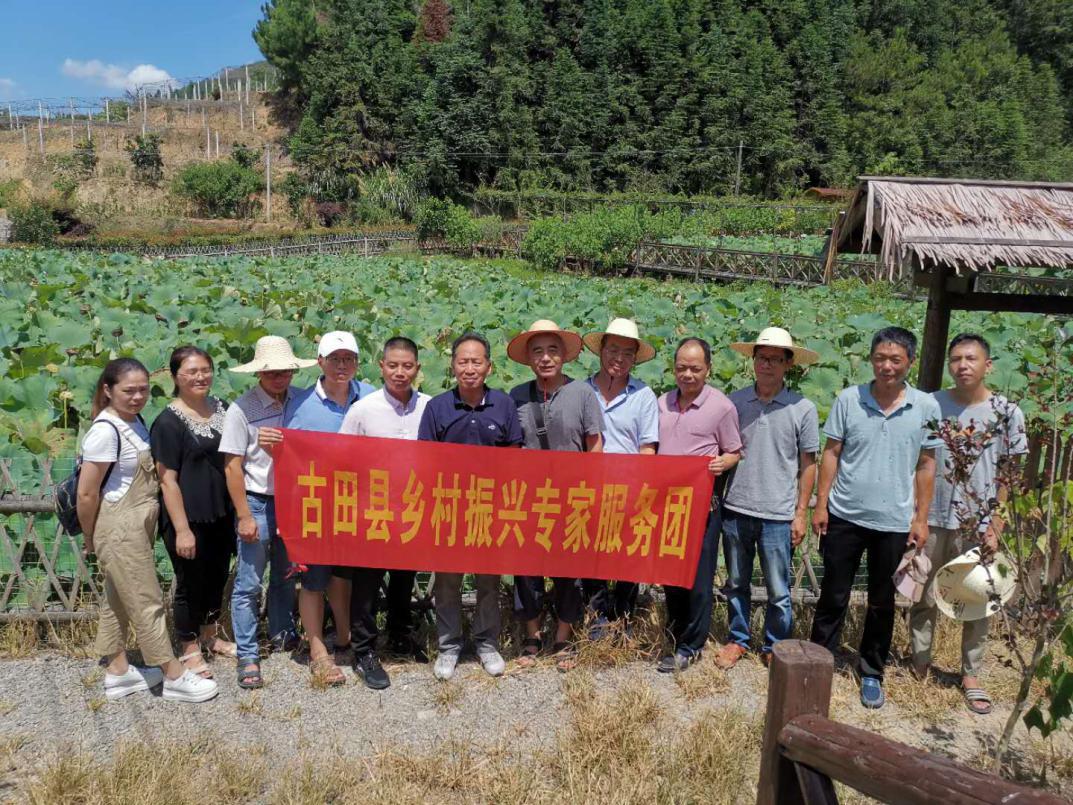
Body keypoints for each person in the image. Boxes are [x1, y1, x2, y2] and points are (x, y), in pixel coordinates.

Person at [810, 326, 941, 709]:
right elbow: (831, 453)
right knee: (833, 594)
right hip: (845, 514)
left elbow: (926, 464)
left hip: (894, 521)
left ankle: (872, 671)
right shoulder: (849, 399)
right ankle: (818, 662)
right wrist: (821, 504)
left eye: (895, 359)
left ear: (910, 362)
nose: (887, 366)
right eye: (880, 358)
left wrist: (921, 518)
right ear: (871, 359)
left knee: (882, 602)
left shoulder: (925, 407)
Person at [77, 358, 218, 703]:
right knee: (146, 600)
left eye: (143, 390)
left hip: (138, 524)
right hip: (118, 525)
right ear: (108, 390)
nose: (138, 396)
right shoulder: (104, 431)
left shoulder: (134, 421)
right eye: (129, 391)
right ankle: (172, 674)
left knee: (118, 599)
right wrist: (91, 536)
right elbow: (86, 493)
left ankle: (118, 671)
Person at [910, 333, 1027, 715]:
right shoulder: (932, 404)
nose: (963, 365)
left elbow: (1010, 473)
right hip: (934, 516)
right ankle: (920, 662)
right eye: (956, 359)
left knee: (979, 598)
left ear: (987, 365)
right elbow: (920, 460)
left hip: (978, 521)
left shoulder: (1007, 413)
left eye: (971, 358)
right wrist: (918, 514)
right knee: (924, 594)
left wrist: (997, 523)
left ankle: (971, 674)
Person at [259, 331, 376, 687]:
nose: (342, 365)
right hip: (315, 505)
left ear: (357, 362)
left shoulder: (371, 396)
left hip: (359, 504)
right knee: (312, 579)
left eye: (349, 359)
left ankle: (344, 638)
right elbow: (284, 456)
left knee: (343, 576)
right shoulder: (298, 403)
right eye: (335, 359)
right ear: (320, 361)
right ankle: (317, 652)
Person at [418, 332, 524, 680]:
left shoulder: (504, 405)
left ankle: (486, 643)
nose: (469, 368)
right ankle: (448, 646)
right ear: (452, 366)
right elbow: (425, 459)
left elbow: (515, 456)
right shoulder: (437, 408)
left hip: (491, 508)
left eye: (476, 361)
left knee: (488, 580)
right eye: (462, 361)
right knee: (447, 580)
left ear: (488, 367)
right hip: (449, 507)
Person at [719, 327, 819, 669]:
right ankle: (738, 639)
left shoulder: (802, 408)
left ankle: (774, 644)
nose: (767, 365)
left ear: (788, 364)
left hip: (778, 513)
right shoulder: (734, 403)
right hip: (736, 507)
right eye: (762, 358)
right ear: (753, 360)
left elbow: (808, 464)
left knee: (778, 590)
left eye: (776, 359)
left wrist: (801, 512)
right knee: (736, 582)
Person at [220, 335, 316, 690]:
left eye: (285, 371)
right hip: (257, 499)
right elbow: (232, 466)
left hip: (294, 500)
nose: (280, 377)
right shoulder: (241, 409)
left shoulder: (303, 401)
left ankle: (282, 635)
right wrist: (244, 515)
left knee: (285, 576)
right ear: (258, 372)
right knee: (249, 583)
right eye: (272, 372)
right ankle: (247, 653)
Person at [508, 320, 604, 671]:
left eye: (552, 350)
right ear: (529, 358)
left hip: (571, 498)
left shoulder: (582, 394)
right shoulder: (516, 396)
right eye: (538, 351)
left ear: (564, 355)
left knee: (569, 572)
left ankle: (563, 637)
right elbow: (510, 449)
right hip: (528, 499)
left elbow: (595, 446)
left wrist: (589, 493)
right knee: (526, 570)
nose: (545, 358)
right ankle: (532, 636)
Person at [339, 336, 432, 687]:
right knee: (366, 583)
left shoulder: (430, 407)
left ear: (417, 368)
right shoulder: (362, 410)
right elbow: (342, 459)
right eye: (393, 365)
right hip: (372, 509)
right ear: (381, 367)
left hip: (413, 508)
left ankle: (400, 636)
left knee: (404, 578)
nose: (400, 372)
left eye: (407, 366)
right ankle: (364, 650)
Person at [656, 337, 742, 672]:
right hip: (666, 505)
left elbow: (734, 450)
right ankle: (675, 632)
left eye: (695, 368)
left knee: (698, 577)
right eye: (681, 368)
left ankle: (691, 645)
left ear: (708, 369)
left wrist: (724, 462)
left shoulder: (721, 407)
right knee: (671, 573)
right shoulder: (662, 403)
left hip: (702, 505)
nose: (687, 374)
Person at [150, 346, 236, 680]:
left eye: (205, 370)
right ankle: (188, 647)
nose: (200, 377)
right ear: (175, 377)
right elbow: (167, 480)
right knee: (189, 583)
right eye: (191, 372)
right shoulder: (168, 422)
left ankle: (210, 636)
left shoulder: (223, 408)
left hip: (221, 511)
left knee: (216, 576)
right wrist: (182, 529)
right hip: (187, 515)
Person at [580, 318, 659, 631]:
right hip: (588, 491)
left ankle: (623, 623)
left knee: (628, 563)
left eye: (628, 353)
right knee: (591, 561)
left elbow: (648, 448)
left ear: (636, 358)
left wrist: (637, 494)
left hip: (628, 491)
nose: (619, 358)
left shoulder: (644, 395)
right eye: (613, 349)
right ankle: (596, 625)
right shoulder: (581, 391)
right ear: (601, 350)